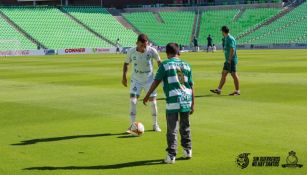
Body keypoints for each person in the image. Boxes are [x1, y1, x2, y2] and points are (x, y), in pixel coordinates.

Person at [143, 43, 195, 164]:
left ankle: (171, 155)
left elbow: (156, 81)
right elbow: (191, 85)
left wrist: (147, 95)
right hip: (186, 98)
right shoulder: (187, 65)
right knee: (185, 126)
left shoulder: (165, 64)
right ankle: (188, 150)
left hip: (173, 99)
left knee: (172, 129)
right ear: (179, 53)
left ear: (167, 53)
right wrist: (193, 103)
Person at [122, 34, 162, 132]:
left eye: (145, 46)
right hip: (136, 79)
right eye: (141, 46)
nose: (144, 48)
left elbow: (159, 61)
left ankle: (155, 125)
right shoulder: (131, 51)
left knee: (153, 103)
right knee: (133, 101)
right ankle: (132, 126)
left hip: (149, 79)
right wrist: (124, 77)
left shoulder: (152, 50)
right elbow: (126, 63)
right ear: (137, 43)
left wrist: (161, 74)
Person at [210, 26, 240, 96]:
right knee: (224, 73)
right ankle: (219, 89)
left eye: (221, 31)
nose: (221, 33)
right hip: (227, 60)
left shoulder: (230, 38)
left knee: (234, 74)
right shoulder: (226, 38)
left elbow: (232, 49)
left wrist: (229, 59)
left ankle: (237, 91)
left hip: (231, 60)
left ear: (223, 31)